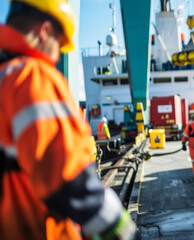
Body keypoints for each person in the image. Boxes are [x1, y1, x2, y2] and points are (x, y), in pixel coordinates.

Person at [0, 0, 135, 239]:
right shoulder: (31, 77)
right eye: (60, 45)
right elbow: (67, 177)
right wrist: (118, 226)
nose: (57, 56)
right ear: (45, 32)